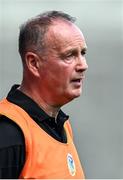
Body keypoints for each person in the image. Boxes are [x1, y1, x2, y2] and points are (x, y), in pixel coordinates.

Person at [0, 10, 88, 178]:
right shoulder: (8, 133)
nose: (83, 65)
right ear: (34, 63)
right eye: (69, 55)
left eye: (83, 53)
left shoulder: (61, 125)